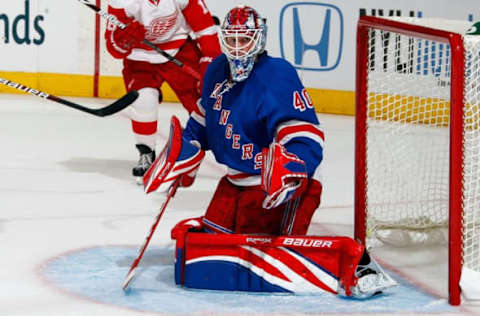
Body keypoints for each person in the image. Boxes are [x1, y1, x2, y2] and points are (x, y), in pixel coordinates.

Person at [144, 5, 396, 298]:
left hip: (279, 188)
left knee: (258, 257)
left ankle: (354, 266)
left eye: (245, 40)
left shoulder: (277, 74)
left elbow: (305, 134)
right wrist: (185, 152)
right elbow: (203, 120)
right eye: (233, 40)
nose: (238, 48)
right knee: (213, 248)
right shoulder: (215, 70)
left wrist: (291, 169)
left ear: (259, 39)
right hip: (234, 183)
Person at [104, 0, 221, 180]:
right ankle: (146, 152)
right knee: (143, 100)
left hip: (180, 49)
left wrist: (210, 60)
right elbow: (114, 48)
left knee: (205, 100)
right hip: (139, 59)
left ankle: (229, 146)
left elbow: (205, 27)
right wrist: (124, 40)